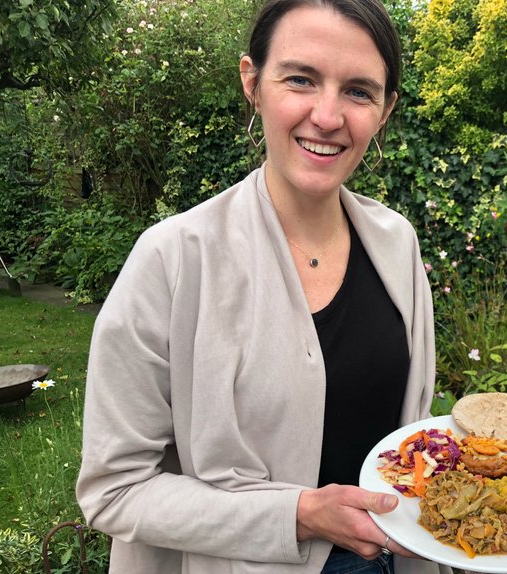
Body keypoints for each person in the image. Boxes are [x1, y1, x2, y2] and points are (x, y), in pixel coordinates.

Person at [76, 1, 453, 573]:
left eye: (358, 91)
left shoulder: (395, 242)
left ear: (385, 110)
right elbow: (115, 490)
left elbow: (408, 435)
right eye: (300, 79)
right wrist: (298, 514)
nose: (327, 116)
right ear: (253, 83)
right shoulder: (174, 260)